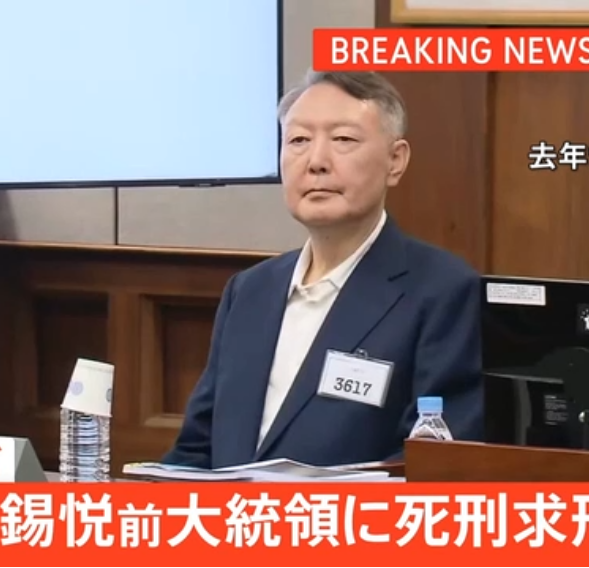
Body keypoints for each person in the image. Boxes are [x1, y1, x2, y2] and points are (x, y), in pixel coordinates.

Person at [163, 71, 483, 469]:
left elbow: (433, 464)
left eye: (343, 140)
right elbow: (196, 451)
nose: (316, 162)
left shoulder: (444, 292)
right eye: (298, 140)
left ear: (395, 161)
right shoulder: (249, 291)